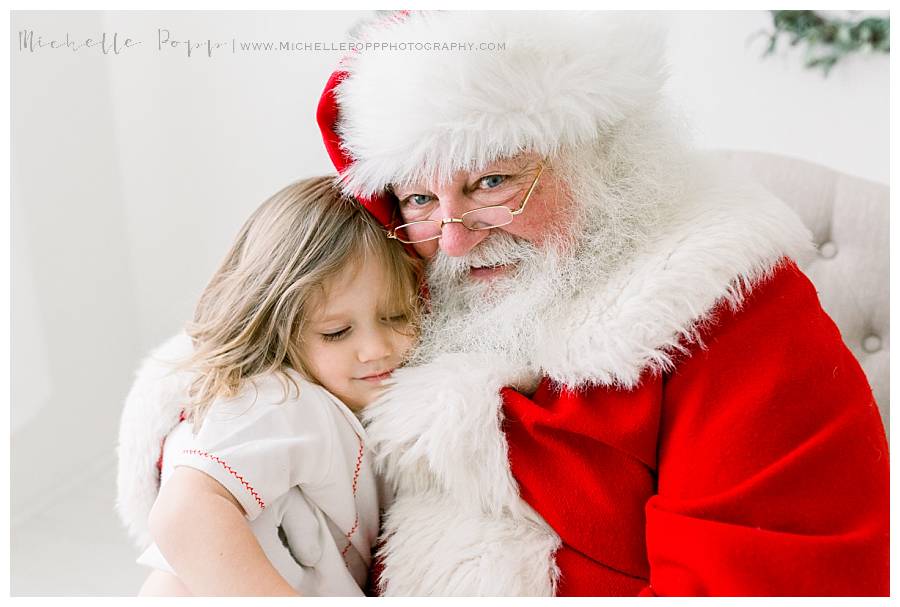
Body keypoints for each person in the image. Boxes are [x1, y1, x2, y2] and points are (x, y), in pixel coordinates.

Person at [315, 11, 890, 596]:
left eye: (492, 182)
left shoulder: (733, 305)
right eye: (418, 197)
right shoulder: (403, 308)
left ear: (602, 164)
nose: (456, 239)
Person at [115, 176, 421, 596]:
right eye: (336, 332)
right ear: (275, 328)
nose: (375, 348)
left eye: (397, 317)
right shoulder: (281, 399)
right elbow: (182, 514)